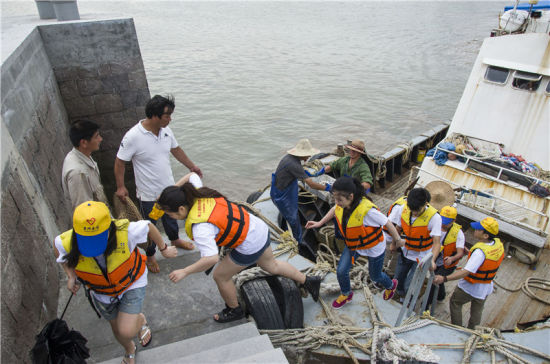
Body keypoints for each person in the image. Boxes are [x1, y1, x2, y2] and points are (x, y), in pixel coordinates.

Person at [157, 182, 322, 323]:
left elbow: (211, 258)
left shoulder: (200, 227)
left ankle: (234, 310)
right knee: (272, 266)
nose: (170, 218)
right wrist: (171, 193)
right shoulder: (199, 194)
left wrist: (184, 271)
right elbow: (191, 175)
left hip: (249, 243)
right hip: (257, 228)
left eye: (170, 214)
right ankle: (308, 280)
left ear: (180, 208)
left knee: (220, 276)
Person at [53, 201, 178, 364]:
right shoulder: (66, 240)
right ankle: (129, 349)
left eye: (97, 238)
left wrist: (164, 248)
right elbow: (59, 250)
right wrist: (70, 276)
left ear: (109, 227)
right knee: (116, 328)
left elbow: (148, 226)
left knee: (125, 330)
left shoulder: (125, 231)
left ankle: (140, 320)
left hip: (131, 283)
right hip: (101, 292)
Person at [114, 94, 202, 273]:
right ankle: (151, 254)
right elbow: (120, 161)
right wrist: (121, 186)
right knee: (149, 225)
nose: (170, 119)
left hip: (169, 189)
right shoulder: (133, 136)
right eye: (167, 115)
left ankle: (175, 240)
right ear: (154, 116)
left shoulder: (166, 131)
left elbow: (176, 150)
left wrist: (192, 166)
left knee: (171, 217)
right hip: (148, 194)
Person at [306, 177, 403, 308]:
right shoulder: (342, 204)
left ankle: (391, 286)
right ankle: (346, 293)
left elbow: (387, 223)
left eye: (339, 199)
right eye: (335, 198)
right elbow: (334, 209)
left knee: (376, 276)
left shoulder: (368, 211)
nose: (336, 202)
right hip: (355, 245)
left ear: (351, 196)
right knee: (341, 271)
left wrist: (397, 240)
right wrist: (319, 223)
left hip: (374, 247)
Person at [434, 217, 504, 329]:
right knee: (477, 310)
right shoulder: (498, 245)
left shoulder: (480, 252)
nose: (475, 230)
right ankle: (473, 331)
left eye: (478, 230)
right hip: (486, 287)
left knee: (455, 302)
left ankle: (457, 329)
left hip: (471, 286)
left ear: (486, 236)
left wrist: (444, 278)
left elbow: (465, 272)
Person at [270, 139, 332, 245]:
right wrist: (327, 188)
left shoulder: (291, 159)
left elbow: (300, 173)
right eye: (307, 155)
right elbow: (311, 184)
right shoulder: (293, 164)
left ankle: (294, 234)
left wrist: (311, 174)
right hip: (281, 195)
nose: (308, 157)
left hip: (289, 187)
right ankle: (297, 242)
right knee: (293, 218)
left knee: (292, 215)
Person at [389, 188, 442, 298]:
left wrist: (432, 260)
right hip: (405, 252)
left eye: (417, 210)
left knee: (411, 285)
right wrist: (394, 244)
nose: (414, 213)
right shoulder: (403, 209)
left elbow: (437, 243)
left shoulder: (434, 218)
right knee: (397, 279)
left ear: (425, 203)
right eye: (412, 209)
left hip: (421, 256)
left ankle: (408, 302)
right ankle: (399, 295)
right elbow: (398, 228)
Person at [62, 120, 108, 211]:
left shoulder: (84, 155)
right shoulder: (77, 173)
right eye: (96, 136)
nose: (100, 139)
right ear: (83, 143)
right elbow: (84, 210)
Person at [427, 206, 465, 304]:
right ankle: (441, 295)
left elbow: (460, 253)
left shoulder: (458, 233)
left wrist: (452, 258)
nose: (443, 224)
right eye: (442, 220)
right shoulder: (435, 224)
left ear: (453, 221)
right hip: (434, 258)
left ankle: (426, 304)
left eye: (446, 222)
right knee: (437, 278)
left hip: (447, 264)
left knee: (434, 281)